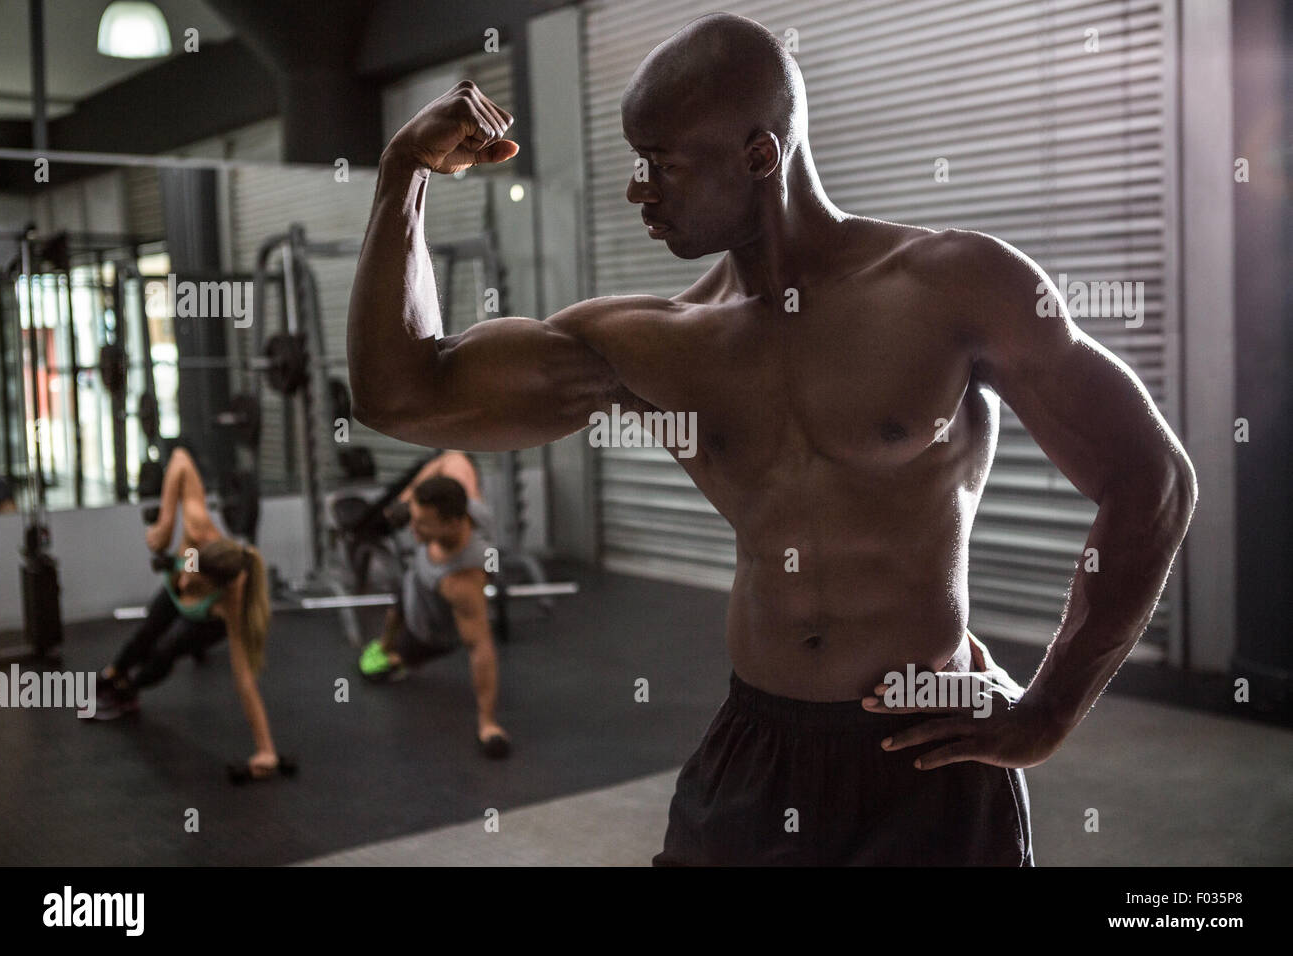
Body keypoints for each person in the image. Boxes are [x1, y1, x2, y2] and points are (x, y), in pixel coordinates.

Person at [346, 13, 1197, 864]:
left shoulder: (955, 288)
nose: (639, 191)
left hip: (930, 748)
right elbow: (404, 393)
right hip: (760, 751)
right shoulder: (652, 344)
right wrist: (403, 175)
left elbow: (1149, 480)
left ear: (760, 155)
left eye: (664, 165)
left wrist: (1048, 711)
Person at [89, 447, 282, 780]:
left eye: (196, 581)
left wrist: (266, 751)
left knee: (167, 649)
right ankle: (113, 674)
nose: (188, 579)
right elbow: (179, 458)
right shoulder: (197, 527)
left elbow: (245, 680)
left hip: (205, 620)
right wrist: (165, 524)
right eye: (192, 569)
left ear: (217, 589)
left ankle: (129, 690)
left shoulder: (232, 604)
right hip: (181, 595)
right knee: (147, 631)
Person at [359, 451, 510, 758]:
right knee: (396, 604)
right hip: (418, 581)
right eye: (413, 521)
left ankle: (397, 658)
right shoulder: (463, 494)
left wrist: (487, 724)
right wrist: (406, 499)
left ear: (453, 523)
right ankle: (385, 646)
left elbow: (481, 647)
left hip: (431, 630)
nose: (412, 531)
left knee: (395, 660)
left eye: (422, 525)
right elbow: (452, 456)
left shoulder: (462, 580)